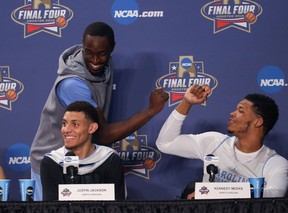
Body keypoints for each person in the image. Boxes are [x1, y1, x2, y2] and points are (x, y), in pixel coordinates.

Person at [31, 21, 169, 200]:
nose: (95, 60)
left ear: (112, 49)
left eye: (101, 54)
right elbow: (102, 134)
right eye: (89, 52)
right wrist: (151, 110)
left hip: (83, 160)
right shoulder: (72, 84)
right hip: (52, 164)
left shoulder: (106, 66)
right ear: (82, 46)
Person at [156, 84, 288, 198]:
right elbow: (165, 143)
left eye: (240, 110)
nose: (232, 113)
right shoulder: (214, 142)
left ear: (258, 122)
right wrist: (187, 102)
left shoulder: (275, 163)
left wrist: (213, 193)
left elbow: (275, 194)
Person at [40, 101, 125, 201]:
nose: (66, 130)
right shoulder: (52, 162)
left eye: (75, 124)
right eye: (64, 124)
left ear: (92, 128)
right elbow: (51, 208)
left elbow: (117, 206)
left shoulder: (109, 160)